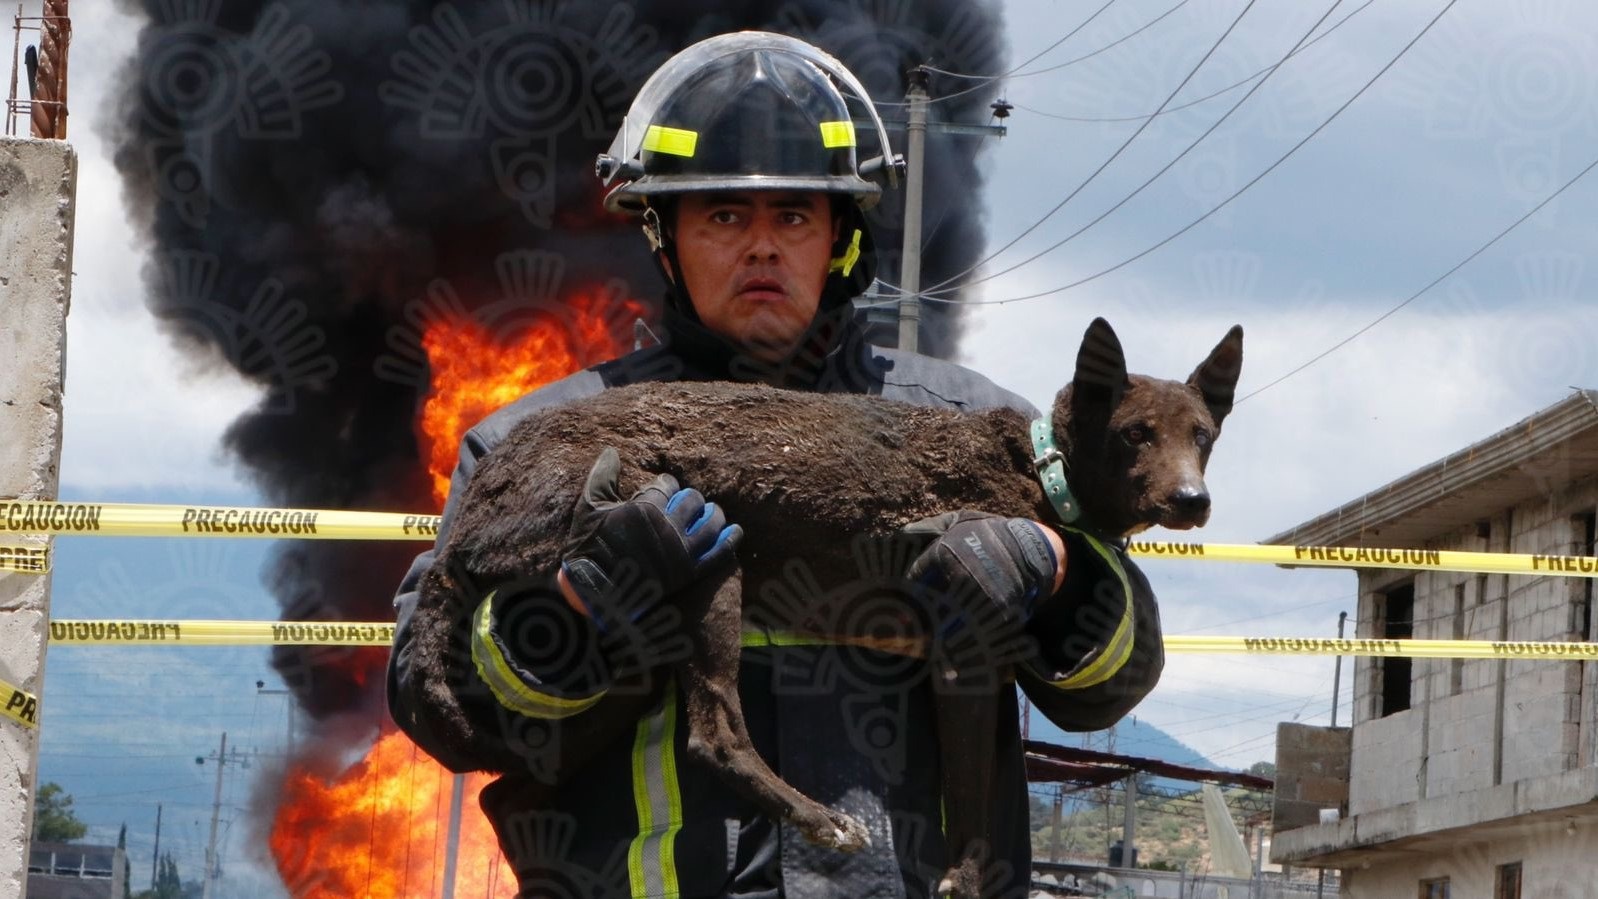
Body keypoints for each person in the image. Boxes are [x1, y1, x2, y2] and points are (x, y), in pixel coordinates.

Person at [387, 32, 1162, 899]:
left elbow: (1113, 684)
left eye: (794, 214)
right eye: (724, 215)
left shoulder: (973, 431)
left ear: (840, 235)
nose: (762, 246)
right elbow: (440, 702)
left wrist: (1054, 578)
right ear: (662, 235)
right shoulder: (546, 445)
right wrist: (575, 613)